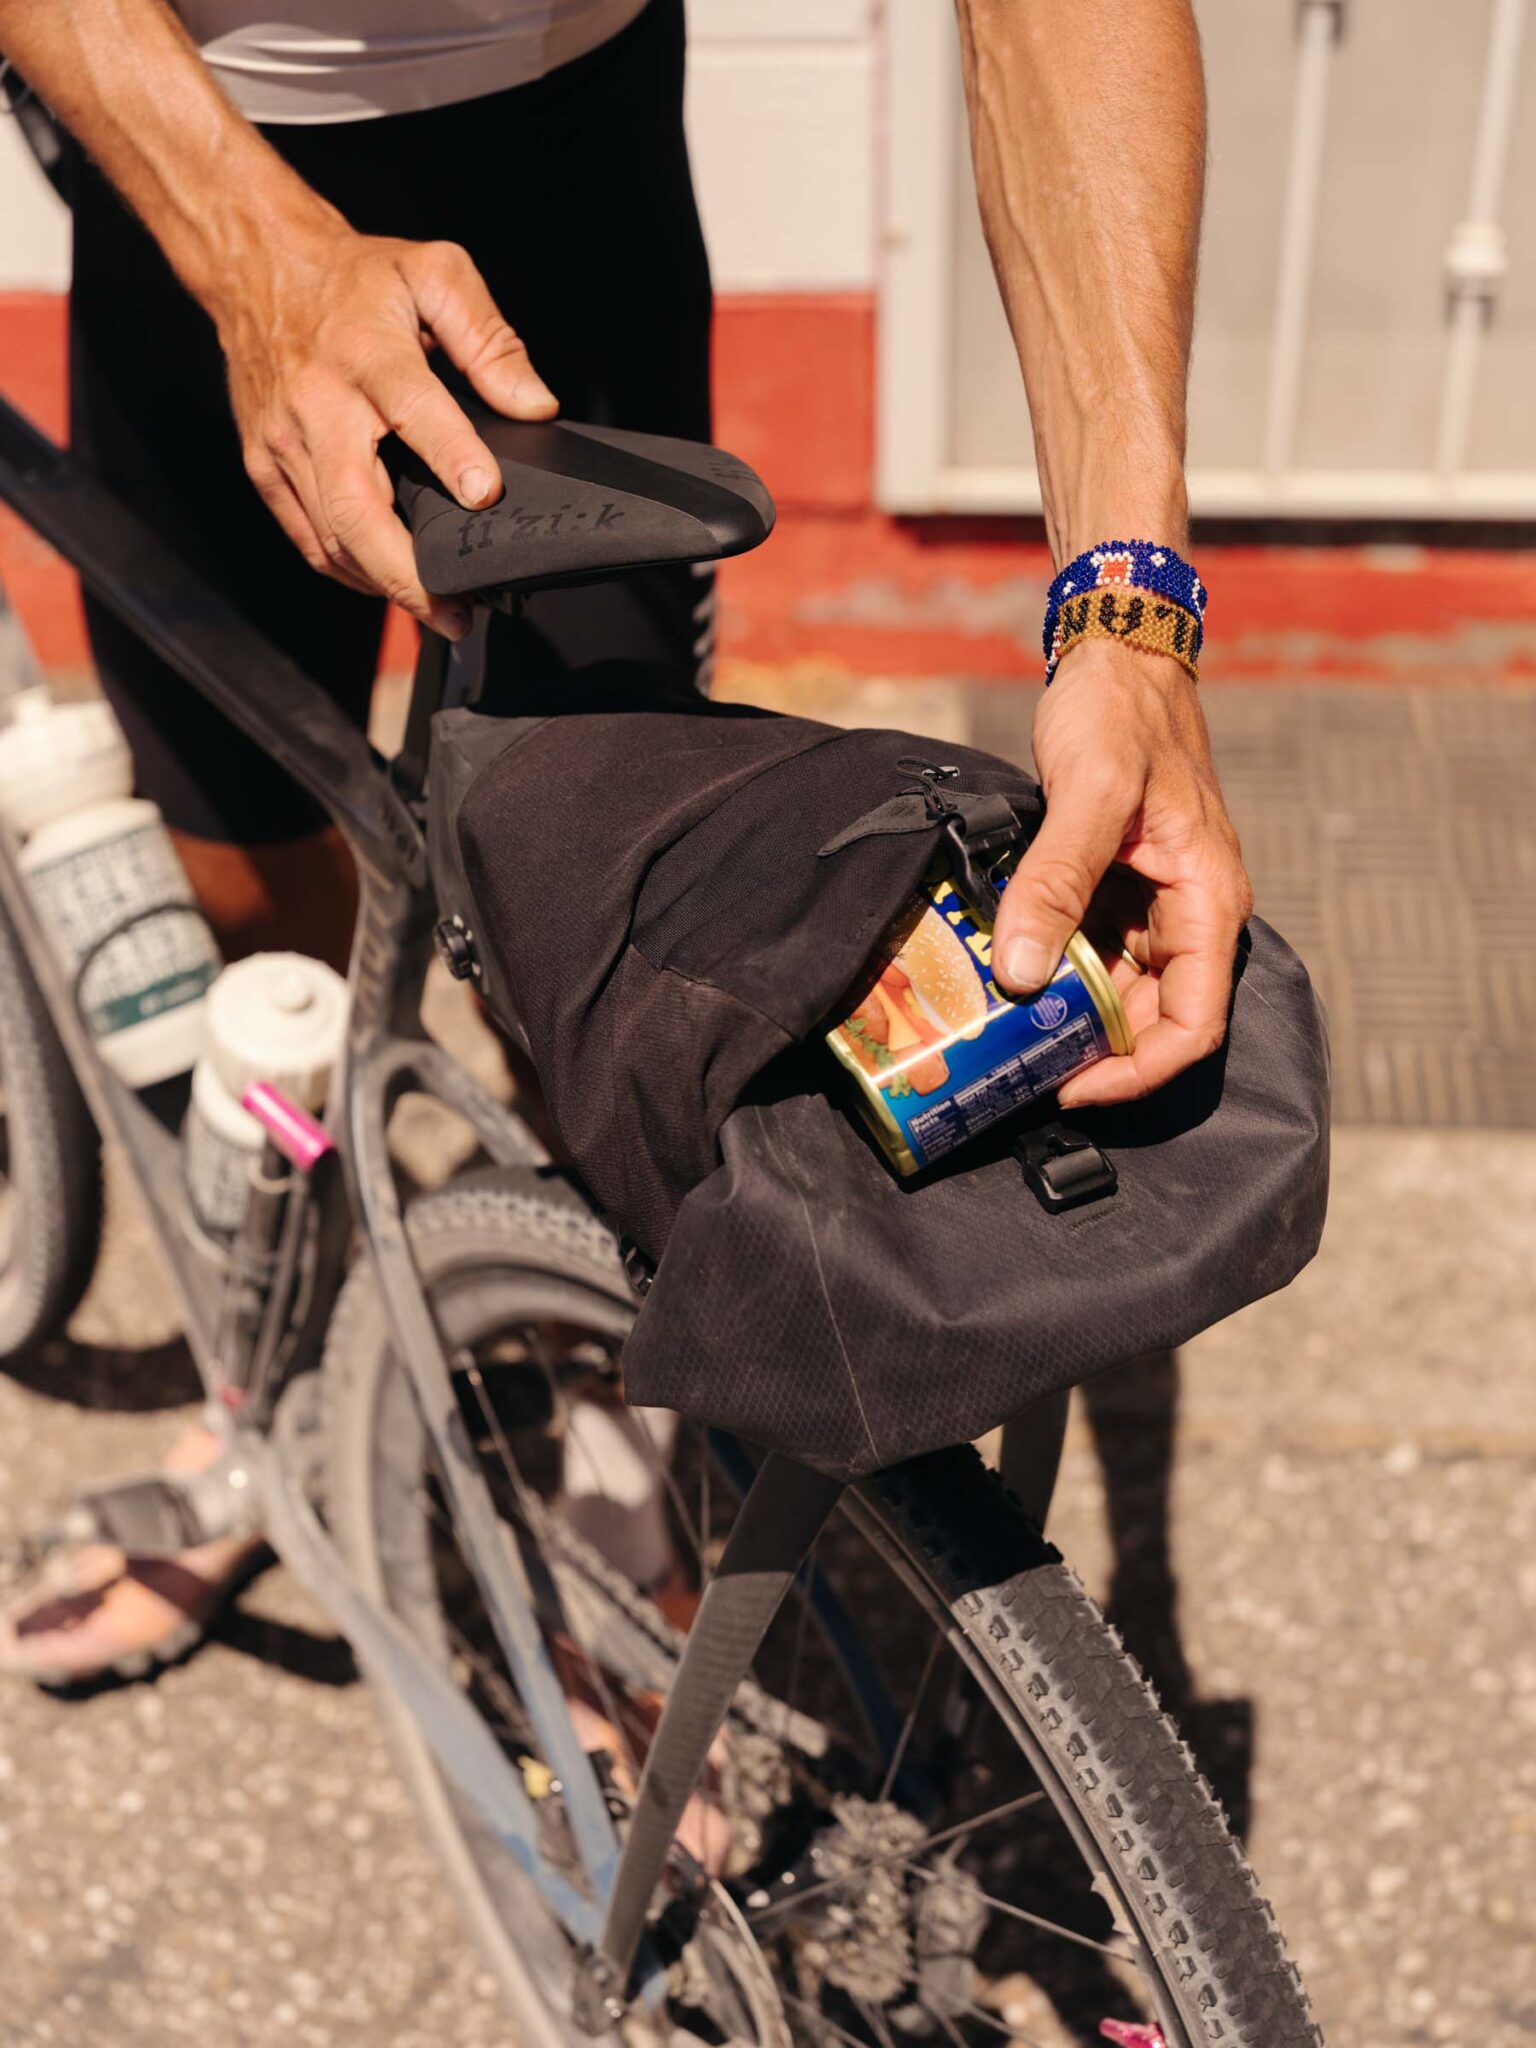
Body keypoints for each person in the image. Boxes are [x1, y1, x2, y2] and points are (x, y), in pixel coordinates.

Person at [0, 0, 1251, 1682]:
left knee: (600, 965)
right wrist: (252, 250)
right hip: (193, 150)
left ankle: (619, 1469)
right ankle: (269, 1400)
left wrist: (1130, 605)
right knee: (247, 888)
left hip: (563, 175)